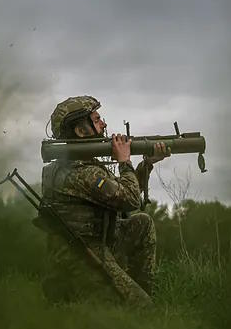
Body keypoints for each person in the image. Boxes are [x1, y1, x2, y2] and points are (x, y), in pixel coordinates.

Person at [40, 95, 170, 306]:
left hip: (97, 244)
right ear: (81, 131)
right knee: (143, 308)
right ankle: (133, 303)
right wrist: (125, 161)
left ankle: (139, 292)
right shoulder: (82, 172)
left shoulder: (81, 165)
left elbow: (122, 193)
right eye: (97, 119)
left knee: (142, 222)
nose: (104, 124)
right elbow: (128, 200)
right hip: (83, 257)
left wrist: (147, 164)